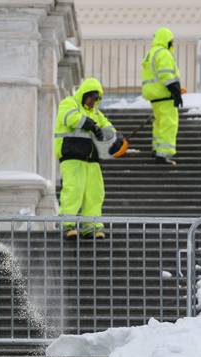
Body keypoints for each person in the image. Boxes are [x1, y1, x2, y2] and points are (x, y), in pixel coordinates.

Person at [54, 77, 120, 240]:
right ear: (84, 94)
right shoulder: (69, 103)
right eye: (92, 97)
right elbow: (70, 118)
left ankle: (91, 226)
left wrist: (114, 136)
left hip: (92, 159)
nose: (94, 101)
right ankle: (67, 224)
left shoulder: (96, 113)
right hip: (72, 154)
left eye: (97, 99)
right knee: (74, 189)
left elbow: (108, 127)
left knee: (95, 193)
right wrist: (90, 125)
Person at [141, 27, 183, 165]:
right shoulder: (163, 53)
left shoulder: (151, 53)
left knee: (159, 124)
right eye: (172, 41)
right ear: (167, 40)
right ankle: (163, 154)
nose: (173, 44)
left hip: (155, 97)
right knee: (169, 123)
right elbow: (166, 74)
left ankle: (157, 148)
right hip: (165, 95)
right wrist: (175, 91)